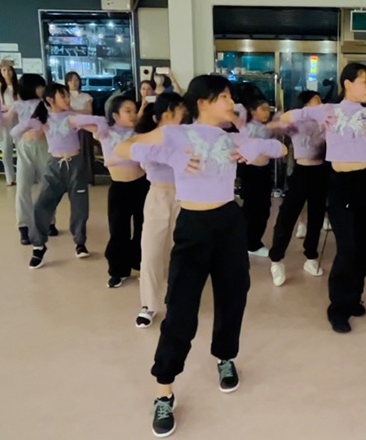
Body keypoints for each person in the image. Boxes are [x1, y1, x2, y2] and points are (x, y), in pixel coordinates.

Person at [114, 74, 286, 438]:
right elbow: (124, 148)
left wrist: (251, 149)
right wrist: (168, 155)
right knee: (181, 307)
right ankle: (164, 390)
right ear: (203, 102)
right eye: (224, 97)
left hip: (229, 222)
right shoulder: (176, 133)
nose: (231, 103)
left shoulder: (230, 137)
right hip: (193, 225)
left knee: (233, 295)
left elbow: (279, 150)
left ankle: (225, 357)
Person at [281, 62, 366, 334]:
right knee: (347, 248)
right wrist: (316, 122)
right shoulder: (328, 110)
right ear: (347, 83)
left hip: (365, 180)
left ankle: (354, 296)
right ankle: (338, 308)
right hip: (340, 183)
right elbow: (287, 117)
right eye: (365, 82)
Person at [11, 83, 90, 269]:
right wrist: (29, 125)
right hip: (54, 165)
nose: (68, 99)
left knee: (80, 206)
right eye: (64, 96)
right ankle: (38, 246)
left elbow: (93, 121)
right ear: (50, 100)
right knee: (42, 205)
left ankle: (80, 242)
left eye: (68, 96)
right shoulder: (44, 119)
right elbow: (15, 132)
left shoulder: (72, 117)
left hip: (76, 164)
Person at [73, 97, 149, 288]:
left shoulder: (139, 133)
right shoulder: (105, 132)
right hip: (119, 188)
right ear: (115, 115)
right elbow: (74, 120)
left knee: (142, 228)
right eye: (127, 111)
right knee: (118, 230)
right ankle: (118, 270)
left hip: (141, 186)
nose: (133, 114)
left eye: (134, 110)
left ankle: (140, 263)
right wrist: (101, 121)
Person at [130, 93, 186, 328]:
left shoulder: (187, 136)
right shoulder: (147, 138)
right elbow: (139, 159)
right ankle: (149, 304)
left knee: (179, 252)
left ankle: (177, 299)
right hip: (157, 196)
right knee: (152, 250)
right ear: (164, 114)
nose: (181, 116)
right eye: (177, 111)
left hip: (185, 198)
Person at [268, 90, 327, 286]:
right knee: (287, 216)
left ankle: (311, 256)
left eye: (320, 101)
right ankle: (276, 259)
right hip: (301, 172)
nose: (320, 105)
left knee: (317, 216)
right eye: (315, 101)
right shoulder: (295, 121)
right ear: (305, 105)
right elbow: (275, 124)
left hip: (320, 172)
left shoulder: (325, 122)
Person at [0, 74, 58, 245]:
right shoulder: (18, 105)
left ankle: (49, 221)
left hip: (45, 147)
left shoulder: (46, 104)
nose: (42, 89)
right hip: (24, 148)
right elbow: (1, 123)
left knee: (47, 187)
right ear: (31, 88)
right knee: (22, 188)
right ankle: (24, 226)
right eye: (40, 86)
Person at [238, 93, 281, 257]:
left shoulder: (267, 127)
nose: (266, 113)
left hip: (264, 171)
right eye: (262, 109)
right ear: (252, 111)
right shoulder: (246, 126)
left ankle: (253, 241)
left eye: (268, 109)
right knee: (252, 208)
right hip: (251, 172)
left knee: (263, 208)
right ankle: (249, 243)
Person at [0, 61, 19, 186]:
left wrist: (11, 107)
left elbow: (22, 104)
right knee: (6, 150)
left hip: (18, 119)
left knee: (21, 149)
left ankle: (23, 175)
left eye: (9, 70)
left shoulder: (19, 86)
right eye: (4, 70)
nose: (7, 72)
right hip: (4, 120)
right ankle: (10, 178)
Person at [65, 71, 97, 184]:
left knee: (85, 153)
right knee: (71, 153)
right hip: (69, 128)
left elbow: (89, 112)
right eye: (71, 80)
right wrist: (78, 112)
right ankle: (73, 177)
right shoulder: (65, 97)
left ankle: (88, 177)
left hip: (84, 128)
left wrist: (72, 111)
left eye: (76, 80)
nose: (74, 83)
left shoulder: (86, 97)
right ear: (67, 82)